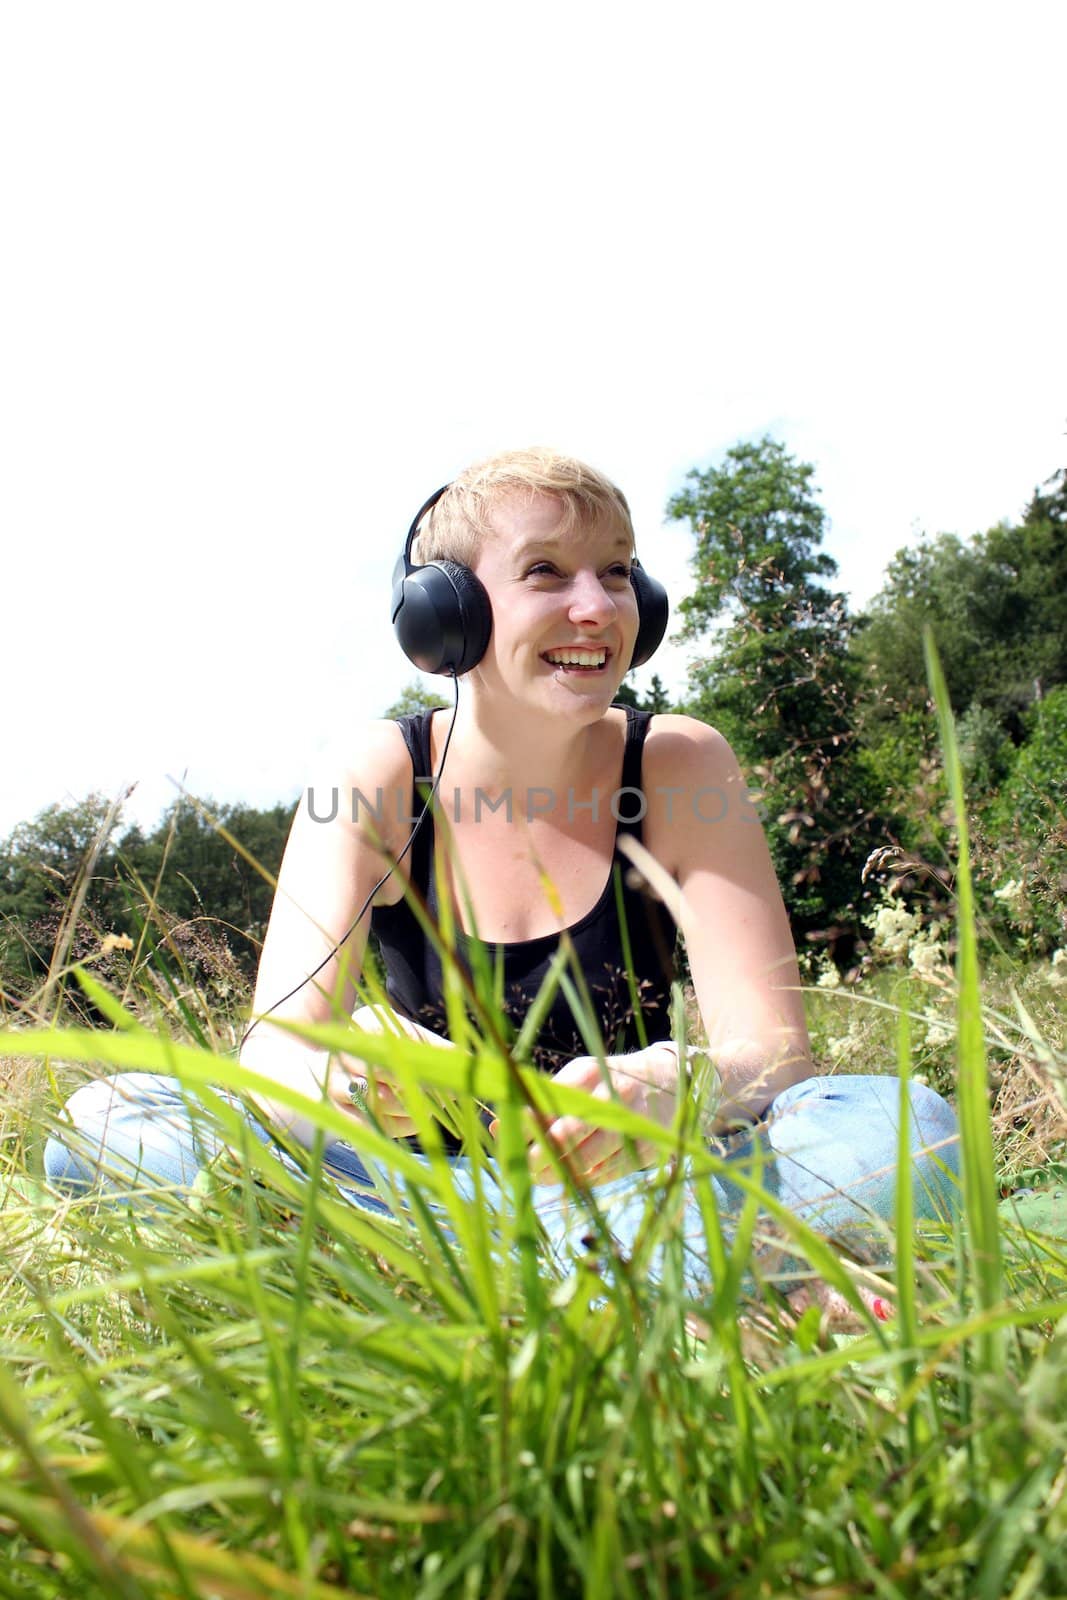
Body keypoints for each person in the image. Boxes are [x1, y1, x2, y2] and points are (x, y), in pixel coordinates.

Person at [45, 448, 960, 1316]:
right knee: (112, 1121)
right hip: (420, 1194)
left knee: (905, 1125)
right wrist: (352, 1070)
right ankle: (689, 1282)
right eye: (546, 573)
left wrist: (674, 1083)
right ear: (445, 618)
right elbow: (273, 1056)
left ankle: (458, 1290)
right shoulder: (372, 774)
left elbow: (774, 1056)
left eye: (616, 571)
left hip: (647, 1179)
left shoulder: (681, 763)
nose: (598, 606)